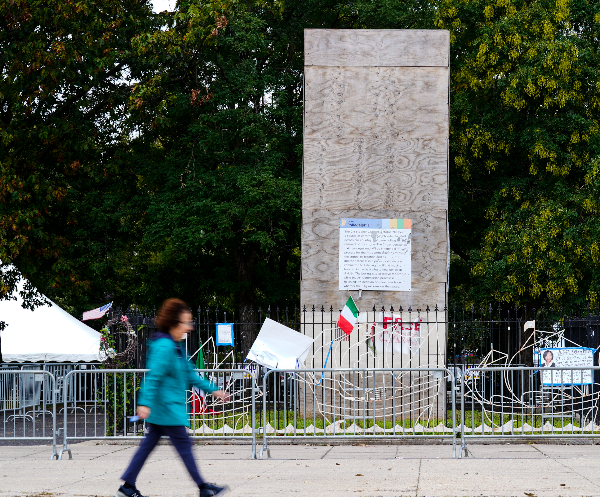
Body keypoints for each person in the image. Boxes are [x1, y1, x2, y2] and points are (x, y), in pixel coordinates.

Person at [116, 299, 230, 497]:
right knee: (184, 447)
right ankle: (203, 488)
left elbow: (191, 375)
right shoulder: (164, 347)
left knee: (148, 446)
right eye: (186, 322)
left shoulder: (176, 347)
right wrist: (144, 403)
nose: (190, 327)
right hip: (167, 410)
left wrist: (215, 391)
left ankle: (127, 486)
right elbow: (153, 377)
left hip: (166, 410)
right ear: (174, 323)